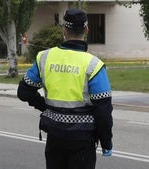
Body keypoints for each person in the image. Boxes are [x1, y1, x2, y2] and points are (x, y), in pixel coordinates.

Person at [17, 9, 113, 169]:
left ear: (63, 30)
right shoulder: (94, 65)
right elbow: (103, 110)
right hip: (82, 141)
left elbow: (24, 91)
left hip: (54, 136)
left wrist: (45, 106)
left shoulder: (44, 57)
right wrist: (106, 142)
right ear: (87, 29)